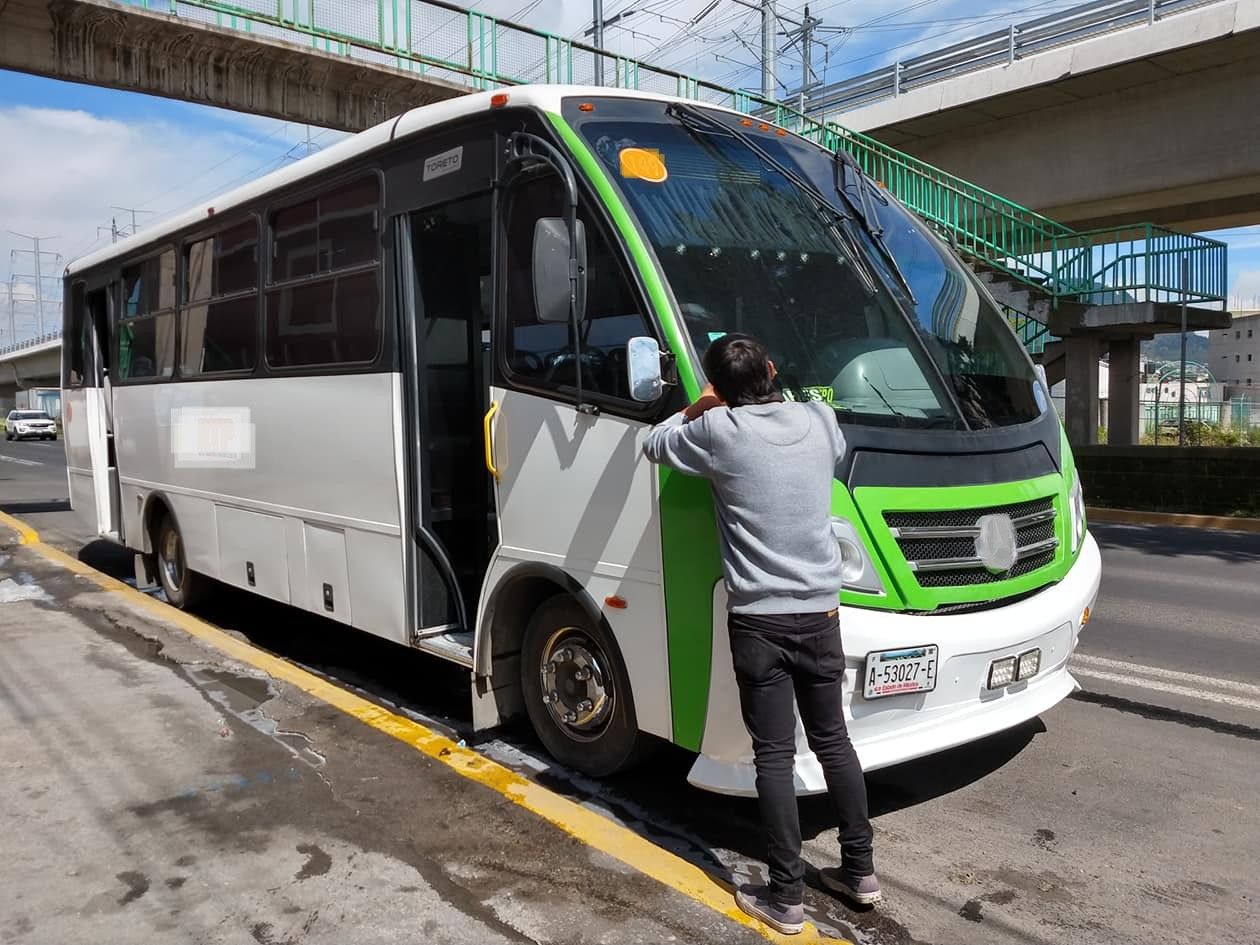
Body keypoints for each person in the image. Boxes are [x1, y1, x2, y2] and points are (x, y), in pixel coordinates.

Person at [643, 333, 879, 935]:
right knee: (833, 741)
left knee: (772, 755)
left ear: (718, 389)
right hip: (822, 613)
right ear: (773, 370)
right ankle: (859, 872)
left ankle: (786, 896)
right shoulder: (820, 419)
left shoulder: (718, 432)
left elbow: (653, 444)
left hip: (759, 620)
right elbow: (829, 441)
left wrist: (696, 407)